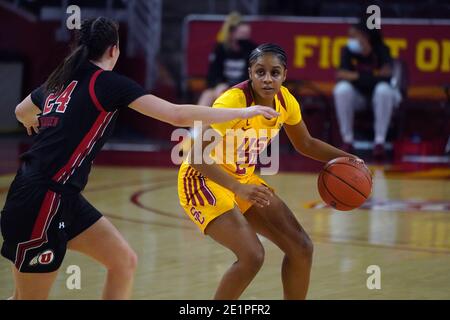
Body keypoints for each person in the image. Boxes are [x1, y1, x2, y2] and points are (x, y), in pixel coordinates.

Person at [0, 17, 278, 300]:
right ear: (113, 50)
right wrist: (244, 112)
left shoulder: (61, 79)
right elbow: (176, 114)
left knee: (123, 262)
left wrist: (41, 123)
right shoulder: (108, 83)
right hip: (42, 201)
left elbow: (22, 111)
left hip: (60, 197)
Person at [177, 44, 362, 299]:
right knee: (252, 256)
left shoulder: (286, 100)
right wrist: (238, 187)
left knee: (301, 247)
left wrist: (351, 159)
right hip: (202, 179)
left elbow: (305, 144)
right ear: (250, 73)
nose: (267, 79)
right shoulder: (232, 101)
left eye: (274, 73)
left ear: (284, 75)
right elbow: (196, 156)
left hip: (242, 179)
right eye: (260, 72)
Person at [333, 20, 402, 160]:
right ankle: (347, 140)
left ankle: (379, 142)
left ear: (365, 37)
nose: (350, 40)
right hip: (359, 96)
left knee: (383, 90)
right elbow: (341, 75)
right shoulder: (348, 51)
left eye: (354, 37)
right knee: (342, 89)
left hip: (380, 97)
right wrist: (372, 76)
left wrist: (356, 76)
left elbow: (386, 77)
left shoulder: (382, 50)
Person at [197, 12, 257, 107]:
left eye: (246, 35)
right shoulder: (221, 49)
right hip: (223, 87)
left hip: (243, 88)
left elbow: (252, 76)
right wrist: (218, 85)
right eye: (241, 35)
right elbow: (212, 74)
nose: (244, 39)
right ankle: (197, 122)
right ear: (231, 33)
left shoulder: (252, 50)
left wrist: (234, 87)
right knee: (207, 96)